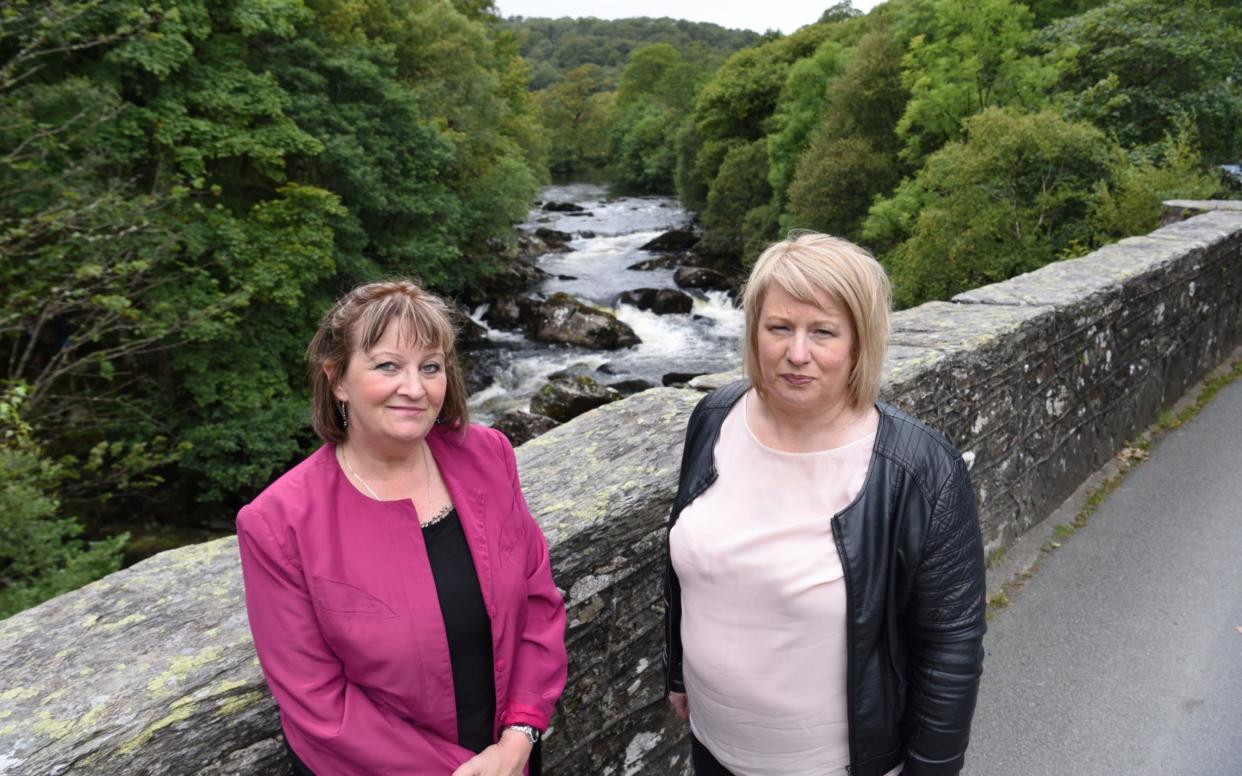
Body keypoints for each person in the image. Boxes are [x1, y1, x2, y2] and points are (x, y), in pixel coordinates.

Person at [663, 233, 986, 776]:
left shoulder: (917, 468)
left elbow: (950, 645)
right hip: (713, 747)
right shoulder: (714, 419)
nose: (797, 353)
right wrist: (678, 673)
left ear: (860, 343)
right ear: (753, 331)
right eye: (779, 328)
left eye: (823, 332)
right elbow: (689, 568)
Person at [237, 280, 567, 776]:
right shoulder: (278, 523)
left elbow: (539, 604)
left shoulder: (487, 455)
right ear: (338, 379)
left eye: (430, 367)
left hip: (509, 756)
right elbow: (318, 702)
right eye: (387, 365)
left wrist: (520, 736)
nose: (414, 388)